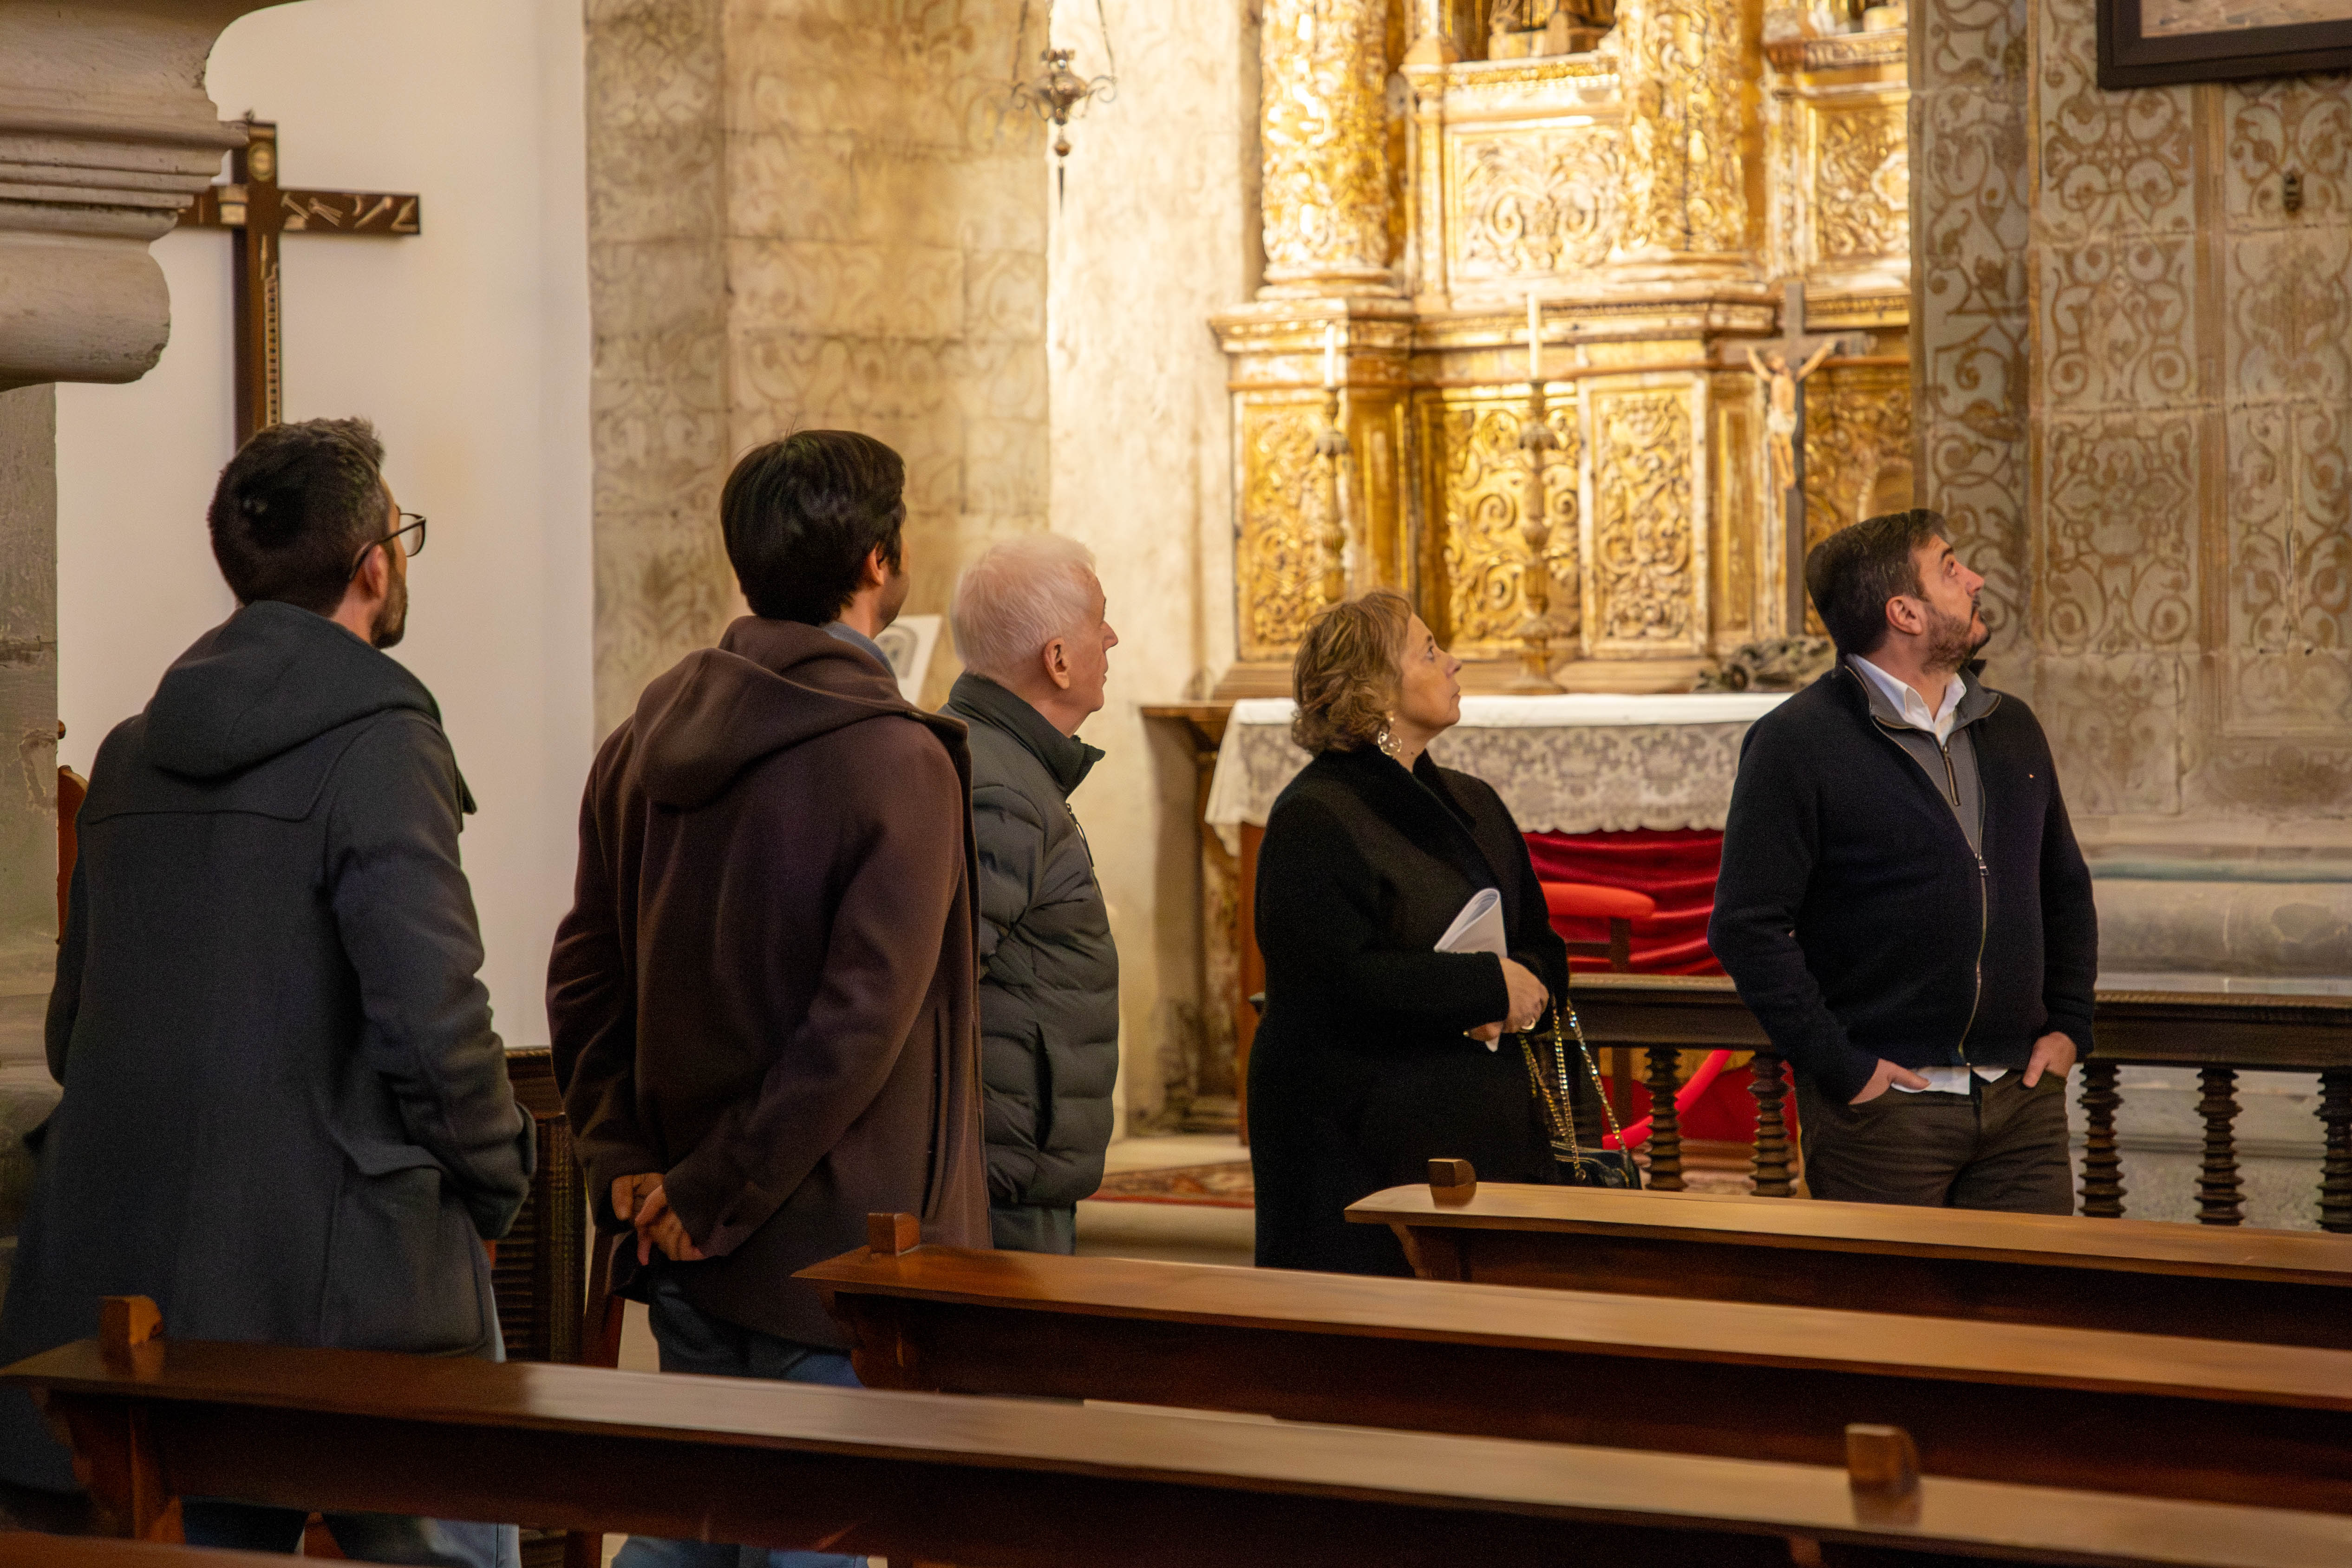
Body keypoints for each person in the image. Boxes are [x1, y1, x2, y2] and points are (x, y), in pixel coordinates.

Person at [0, 418, 535, 1565]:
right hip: (343, 1288)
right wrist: (499, 1185)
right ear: (376, 561)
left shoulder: (134, 751)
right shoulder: (385, 742)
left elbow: (68, 1025)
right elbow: (437, 1025)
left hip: (128, 1275)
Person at [549, 429, 988, 1568]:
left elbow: (584, 969)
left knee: (691, 1535)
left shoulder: (643, 736)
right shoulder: (900, 760)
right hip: (839, 1256)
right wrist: (716, 1187)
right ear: (882, 561)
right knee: (812, 1546)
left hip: (681, 1226)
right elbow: (857, 1029)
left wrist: (628, 1160)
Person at [1709, 509, 2097, 1213]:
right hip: (1887, 1112)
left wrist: (2070, 1025)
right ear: (1905, 613)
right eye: (1950, 567)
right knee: (1886, 1320)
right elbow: (1747, 926)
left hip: (2023, 1102)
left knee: (2033, 1313)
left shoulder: (2009, 724)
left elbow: (2062, 887)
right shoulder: (1797, 742)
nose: (1975, 580)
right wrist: (1844, 1068)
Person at [1249, 589, 1574, 1276]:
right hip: (1365, 1146)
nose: (1453, 663)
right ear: (1372, 686)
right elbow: (1328, 984)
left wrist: (1530, 986)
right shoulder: (1315, 816)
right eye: (1429, 650)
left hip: (1485, 1130)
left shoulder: (1475, 801)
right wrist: (1486, 988)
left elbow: (1542, 942)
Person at [943, 535, 1121, 1254]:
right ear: (1057, 658)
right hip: (1005, 1174)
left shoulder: (997, 761)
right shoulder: (1002, 791)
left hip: (1010, 1153)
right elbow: (939, 983)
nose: (1112, 637)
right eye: (1099, 621)